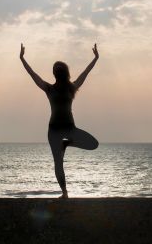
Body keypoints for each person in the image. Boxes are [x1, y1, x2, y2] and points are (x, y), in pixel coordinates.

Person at [20, 43, 99, 198]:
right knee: (58, 163)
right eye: (56, 70)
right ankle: (65, 193)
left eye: (57, 70)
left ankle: (66, 144)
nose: (56, 72)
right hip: (54, 130)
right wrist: (22, 59)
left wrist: (95, 58)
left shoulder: (71, 87)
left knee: (92, 144)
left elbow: (85, 72)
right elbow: (33, 75)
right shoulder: (49, 88)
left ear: (61, 73)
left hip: (69, 128)